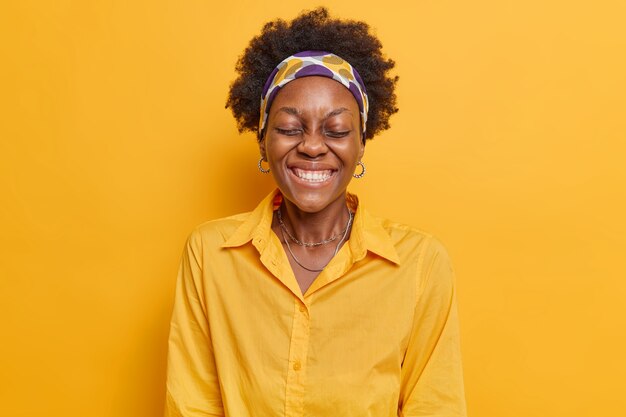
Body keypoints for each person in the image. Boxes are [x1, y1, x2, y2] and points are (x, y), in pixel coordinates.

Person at [164, 7, 467, 417]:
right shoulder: (209, 254)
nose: (311, 146)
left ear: (361, 144)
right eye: (290, 128)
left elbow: (436, 407)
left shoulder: (420, 264)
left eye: (336, 131)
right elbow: (191, 406)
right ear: (262, 141)